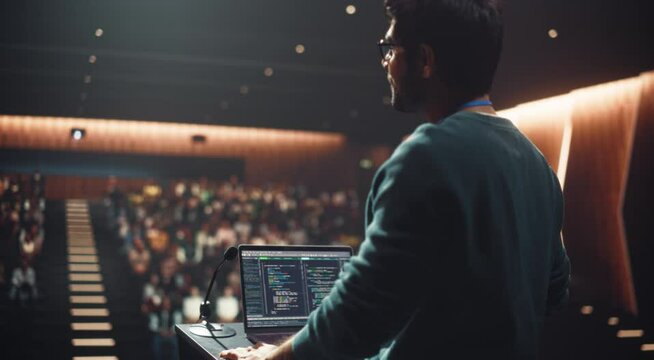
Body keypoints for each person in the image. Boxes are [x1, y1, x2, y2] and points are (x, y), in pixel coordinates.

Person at [220, 0, 570, 359]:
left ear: (425, 60)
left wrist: (272, 358)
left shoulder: (426, 157)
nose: (385, 61)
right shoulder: (538, 166)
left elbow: (361, 313)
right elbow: (554, 292)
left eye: (390, 48)